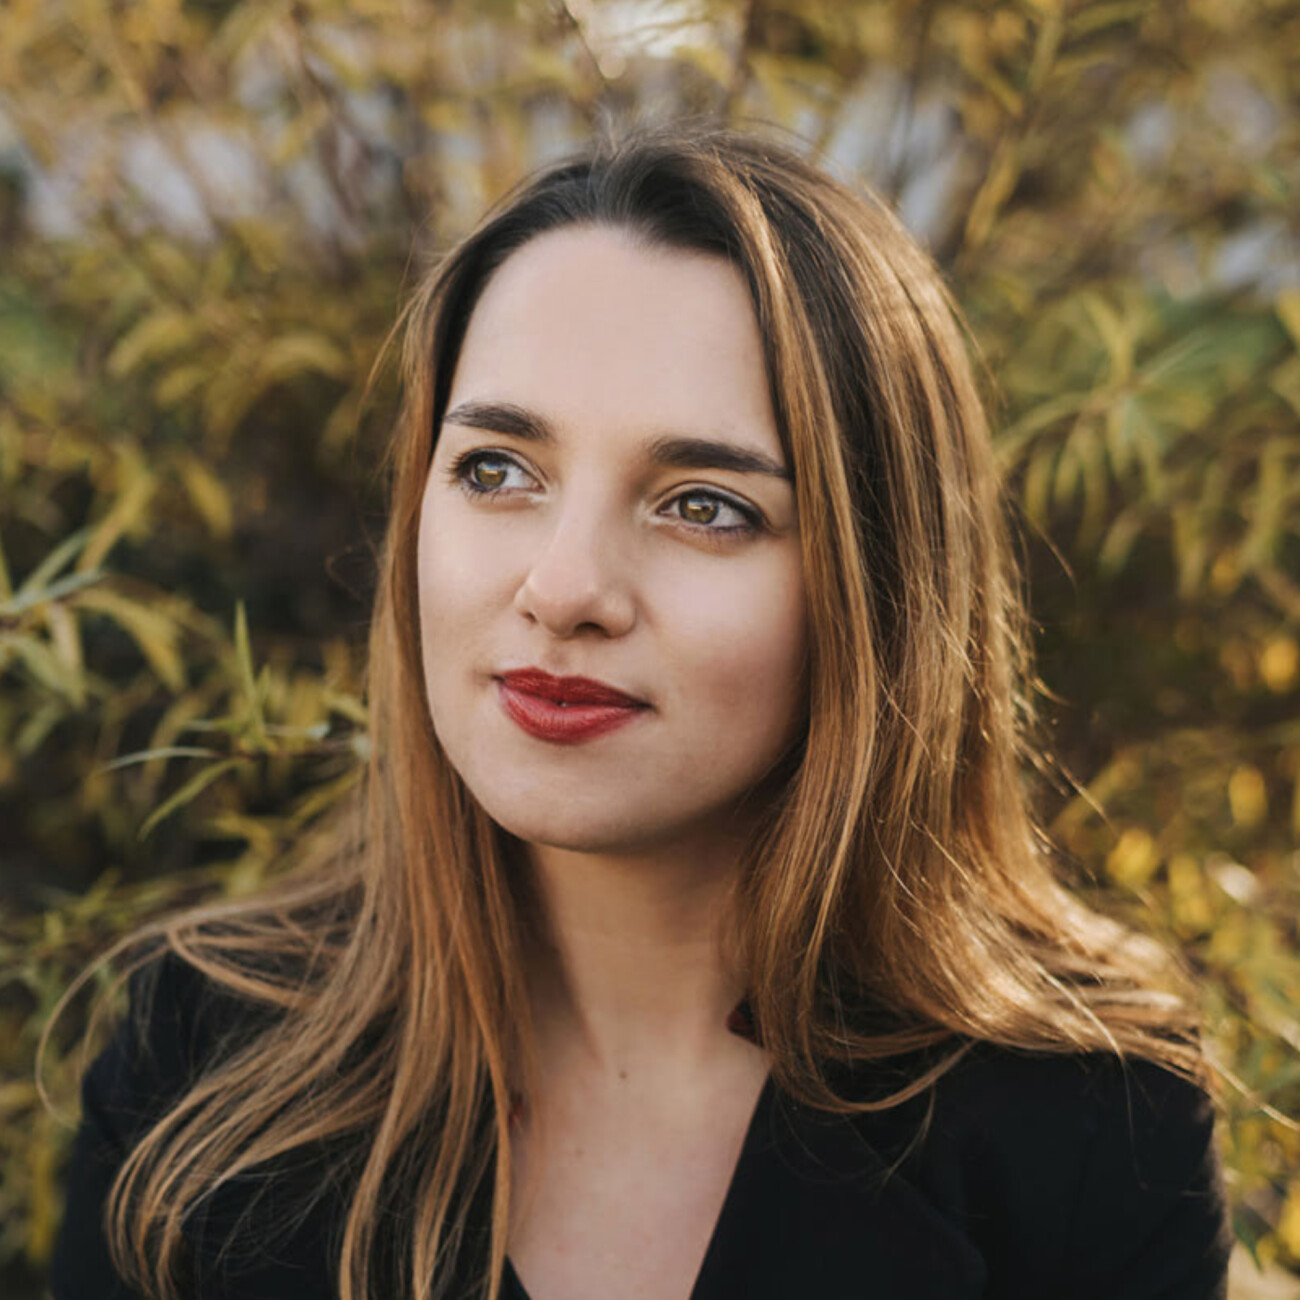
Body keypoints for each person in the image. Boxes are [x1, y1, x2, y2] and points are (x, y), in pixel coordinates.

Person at [44, 118, 1233, 1300]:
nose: (562, 588)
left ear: (877, 590)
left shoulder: (1088, 1127)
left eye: (703, 505)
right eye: (496, 470)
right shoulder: (196, 1068)